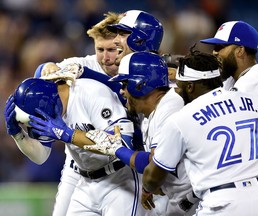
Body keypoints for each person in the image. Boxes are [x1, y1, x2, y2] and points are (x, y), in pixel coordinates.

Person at [4, 12, 124, 216]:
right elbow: (47, 71)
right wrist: (46, 68)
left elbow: (121, 96)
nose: (106, 57)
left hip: (119, 170)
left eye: (113, 49)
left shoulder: (137, 69)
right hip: (77, 166)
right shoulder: (80, 65)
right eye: (100, 49)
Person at [141, 48, 258, 216]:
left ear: (190, 86)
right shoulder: (255, 102)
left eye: (179, 86)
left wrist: (147, 188)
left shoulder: (181, 119)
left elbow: (152, 177)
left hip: (223, 202)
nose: (177, 92)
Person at [7, 75, 145, 216]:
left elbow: (122, 142)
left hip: (119, 180)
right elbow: (41, 156)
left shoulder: (92, 93)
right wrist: (17, 134)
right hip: (85, 183)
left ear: (47, 105)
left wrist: (69, 134)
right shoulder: (50, 105)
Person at [84, 51, 199, 215]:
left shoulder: (171, 105)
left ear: (140, 84)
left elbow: (152, 164)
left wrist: (115, 149)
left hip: (197, 200)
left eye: (125, 84)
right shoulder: (149, 115)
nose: (122, 91)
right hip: (179, 198)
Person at [200, 20, 258, 215]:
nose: (214, 52)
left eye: (220, 47)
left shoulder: (255, 81)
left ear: (240, 51)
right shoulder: (235, 79)